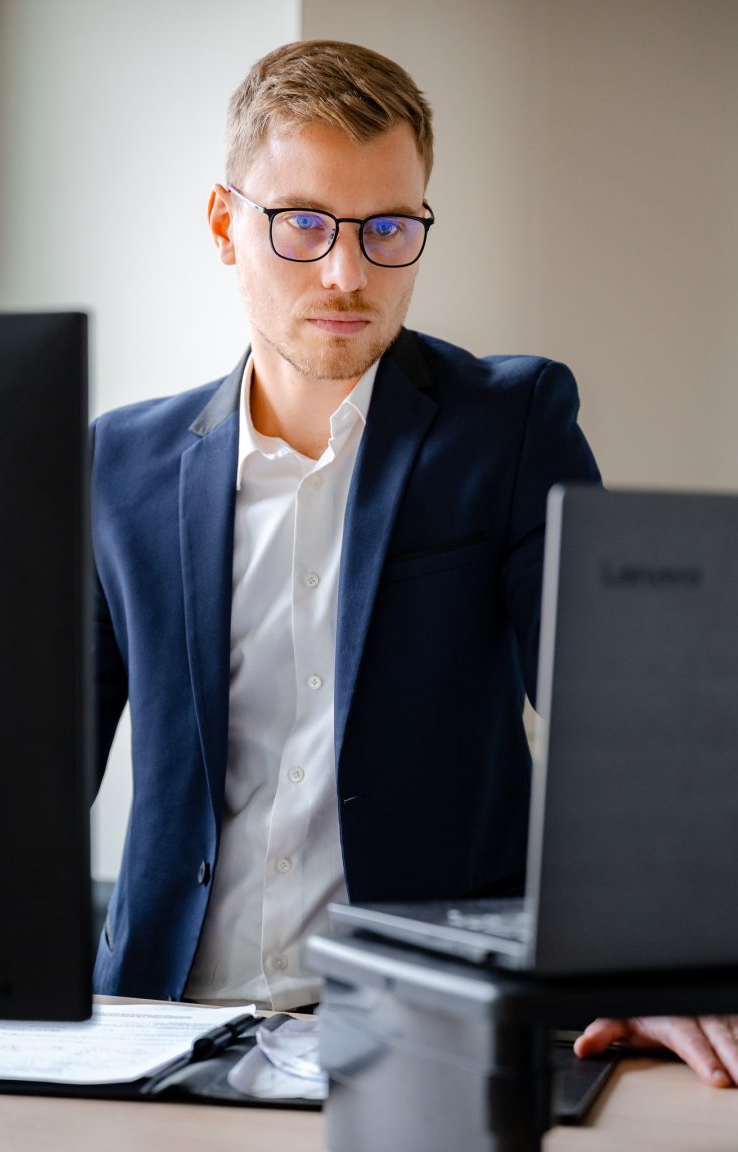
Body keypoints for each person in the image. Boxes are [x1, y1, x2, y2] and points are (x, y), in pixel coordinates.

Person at [91, 39, 738, 1087]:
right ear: (224, 226)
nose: (347, 274)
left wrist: (657, 959)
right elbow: (32, 776)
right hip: (160, 1030)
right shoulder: (118, 463)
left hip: (433, 1035)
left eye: (388, 227)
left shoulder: (509, 426)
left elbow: (619, 729)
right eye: (303, 223)